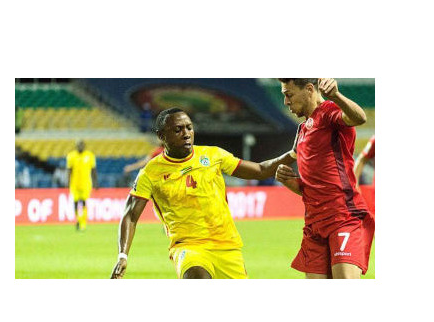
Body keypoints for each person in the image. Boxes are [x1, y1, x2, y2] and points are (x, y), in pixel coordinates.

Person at [110, 108, 295, 279]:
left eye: (189, 128)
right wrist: (122, 255)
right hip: (188, 248)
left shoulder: (213, 155)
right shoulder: (150, 173)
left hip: (227, 246)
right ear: (161, 135)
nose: (186, 134)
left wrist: (294, 153)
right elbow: (130, 215)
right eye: (178, 130)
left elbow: (261, 170)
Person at [275, 78, 374, 279]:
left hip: (342, 218)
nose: (286, 101)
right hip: (314, 227)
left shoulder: (329, 112)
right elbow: (312, 188)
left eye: (289, 94)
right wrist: (290, 181)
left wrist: (336, 95)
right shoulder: (303, 129)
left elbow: (359, 118)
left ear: (309, 89)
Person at [67, 140, 98, 231]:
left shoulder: (90, 155)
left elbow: (93, 170)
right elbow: (69, 170)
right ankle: (78, 220)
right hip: (74, 184)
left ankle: (83, 222)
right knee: (75, 202)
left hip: (86, 184)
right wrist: (68, 182)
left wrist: (95, 182)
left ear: (84, 146)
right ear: (76, 146)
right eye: (78, 145)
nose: (80, 146)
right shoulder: (71, 156)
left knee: (84, 202)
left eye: (81, 145)